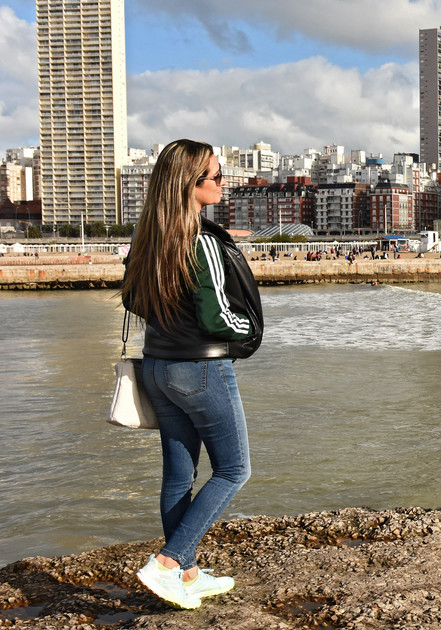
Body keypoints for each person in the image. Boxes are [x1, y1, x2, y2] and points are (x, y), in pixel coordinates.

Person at [120, 139, 262, 609]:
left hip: (156, 366)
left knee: (179, 476)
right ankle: (166, 563)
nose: (223, 183)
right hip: (200, 369)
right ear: (189, 184)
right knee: (234, 469)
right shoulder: (201, 240)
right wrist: (249, 332)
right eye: (216, 177)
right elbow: (218, 315)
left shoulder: (148, 237)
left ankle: (188, 574)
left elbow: (132, 300)